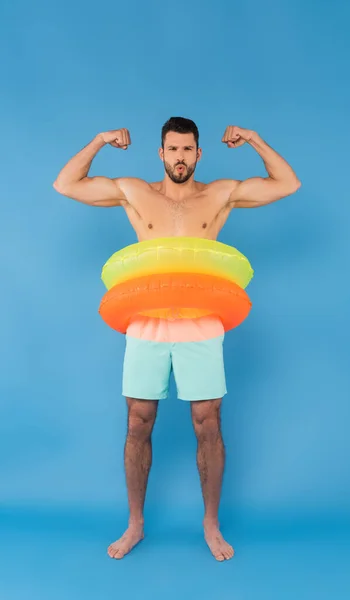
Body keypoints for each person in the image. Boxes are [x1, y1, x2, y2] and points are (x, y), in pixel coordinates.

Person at [53, 117, 301, 562]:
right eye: (173, 150)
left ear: (198, 154)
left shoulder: (220, 193)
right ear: (161, 153)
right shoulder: (134, 191)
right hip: (146, 318)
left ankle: (210, 524)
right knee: (138, 421)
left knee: (208, 421)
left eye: (188, 150)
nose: (180, 158)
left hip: (200, 320)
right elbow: (66, 184)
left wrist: (256, 140)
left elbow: (287, 183)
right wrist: (98, 141)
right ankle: (135, 525)